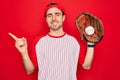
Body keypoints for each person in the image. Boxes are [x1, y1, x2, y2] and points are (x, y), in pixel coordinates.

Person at [8, 2, 95, 80]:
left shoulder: (74, 41)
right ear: (46, 19)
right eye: (49, 15)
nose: (53, 18)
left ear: (63, 17)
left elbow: (86, 66)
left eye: (57, 14)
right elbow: (29, 70)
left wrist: (91, 43)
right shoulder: (39, 42)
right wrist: (24, 53)